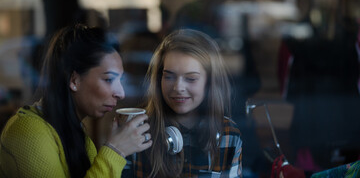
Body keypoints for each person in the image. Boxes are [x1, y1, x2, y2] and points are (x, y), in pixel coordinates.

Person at [0, 24, 153, 177]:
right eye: (109, 79)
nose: (121, 93)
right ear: (74, 80)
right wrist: (115, 150)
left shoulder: (80, 136)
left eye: (120, 80)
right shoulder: (28, 132)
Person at [124, 29, 242, 177]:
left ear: (210, 82)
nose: (178, 88)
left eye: (191, 78)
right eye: (169, 77)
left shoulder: (229, 135)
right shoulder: (136, 131)